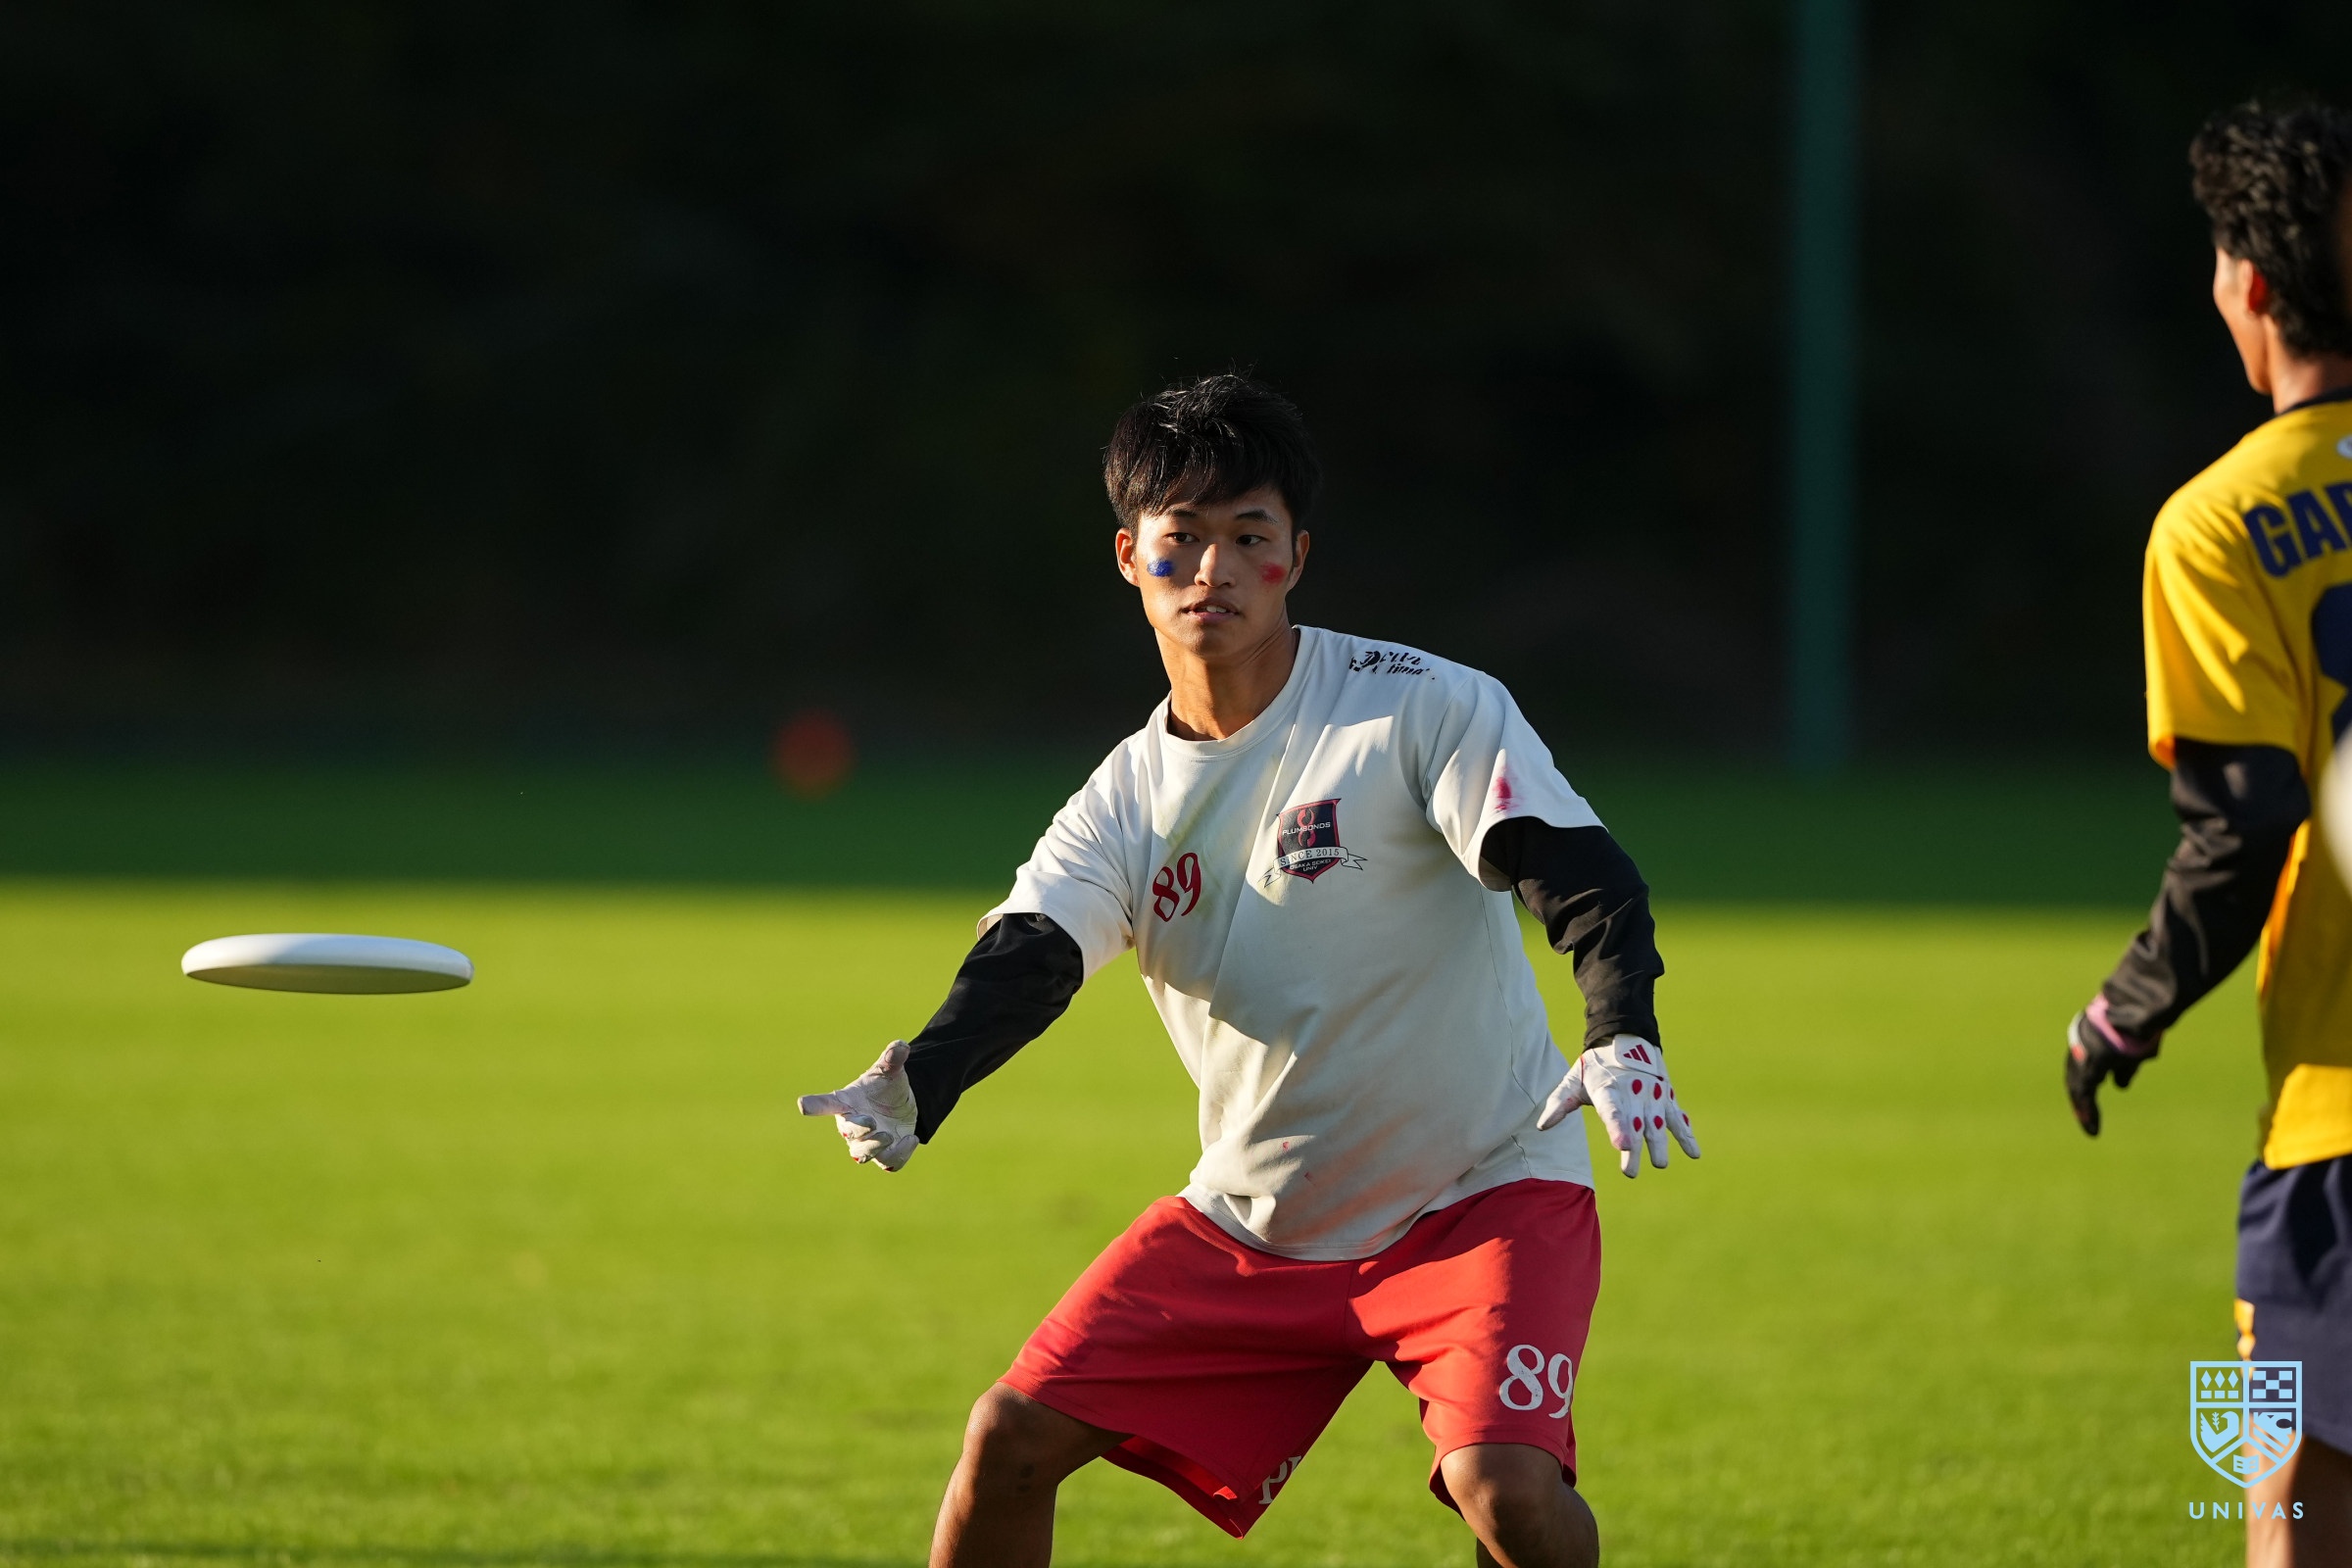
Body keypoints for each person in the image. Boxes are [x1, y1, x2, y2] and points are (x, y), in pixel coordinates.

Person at [800, 372, 1695, 1568]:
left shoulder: (1419, 707)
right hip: (1259, 1218)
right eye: (1182, 538)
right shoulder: (1124, 799)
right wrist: (925, 1079)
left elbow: (1577, 872)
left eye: (1249, 536)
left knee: (1507, 1490)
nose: (1213, 569)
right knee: (1007, 1437)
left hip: (1481, 1191)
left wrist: (1621, 1026)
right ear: (1130, 557)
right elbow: (1031, 956)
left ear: (1296, 558)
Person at [2064, 101, 2352, 1567]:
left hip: (2339, 1115)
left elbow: (2247, 824)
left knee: (2291, 1499)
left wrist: (2129, 1005)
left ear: (2250, 281)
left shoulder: (2224, 523)